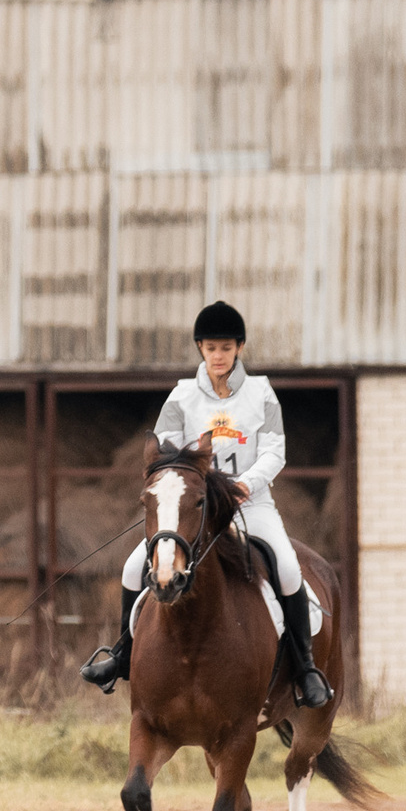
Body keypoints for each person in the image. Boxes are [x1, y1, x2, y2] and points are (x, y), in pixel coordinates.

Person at [80, 301, 334, 710]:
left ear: (239, 349)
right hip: (194, 506)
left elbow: (275, 451)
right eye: (212, 348)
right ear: (201, 348)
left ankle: (305, 667)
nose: (219, 356)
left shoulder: (261, 392)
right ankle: (123, 654)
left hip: (250, 505)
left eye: (227, 348)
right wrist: (180, 484)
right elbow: (164, 449)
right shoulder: (182, 395)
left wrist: (245, 485)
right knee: (132, 568)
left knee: (287, 568)